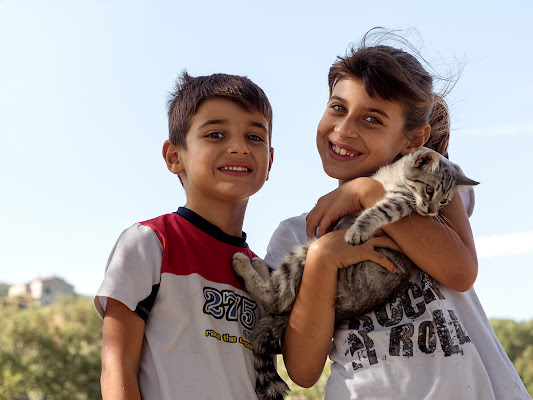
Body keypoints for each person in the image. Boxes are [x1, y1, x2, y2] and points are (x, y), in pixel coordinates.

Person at [265, 31, 531, 399]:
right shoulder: (297, 234)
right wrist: (323, 259)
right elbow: (303, 370)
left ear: (413, 140)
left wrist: (369, 193)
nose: (344, 129)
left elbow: (460, 270)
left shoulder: (433, 181)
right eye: (337, 108)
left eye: (372, 119)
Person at [94, 72, 274, 399]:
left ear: (270, 161)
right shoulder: (148, 243)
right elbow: (116, 367)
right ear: (174, 157)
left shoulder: (263, 275)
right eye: (216, 134)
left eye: (255, 137)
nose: (238, 147)